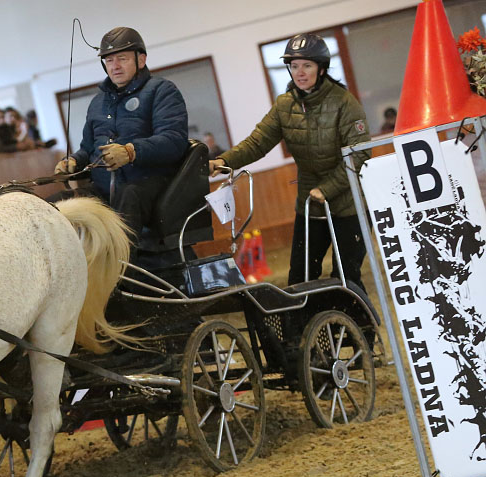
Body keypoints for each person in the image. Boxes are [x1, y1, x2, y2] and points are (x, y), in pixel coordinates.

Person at [209, 33, 371, 291]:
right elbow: (258, 142)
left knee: (346, 276)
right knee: (300, 277)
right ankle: (305, 328)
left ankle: (358, 330)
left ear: (321, 68)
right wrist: (221, 161)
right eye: (294, 66)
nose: (300, 72)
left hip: (348, 204)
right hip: (309, 203)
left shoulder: (344, 103)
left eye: (307, 65)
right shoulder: (285, 105)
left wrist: (326, 189)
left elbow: (360, 154)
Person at [54, 26, 189, 241]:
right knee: (56, 205)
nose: (115, 66)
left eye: (122, 59)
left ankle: (121, 267)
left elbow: (174, 140)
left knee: (129, 195)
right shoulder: (98, 102)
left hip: (150, 186)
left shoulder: (162, 91)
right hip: (104, 189)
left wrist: (130, 151)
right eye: (109, 61)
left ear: (141, 60)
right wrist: (72, 162)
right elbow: (88, 149)